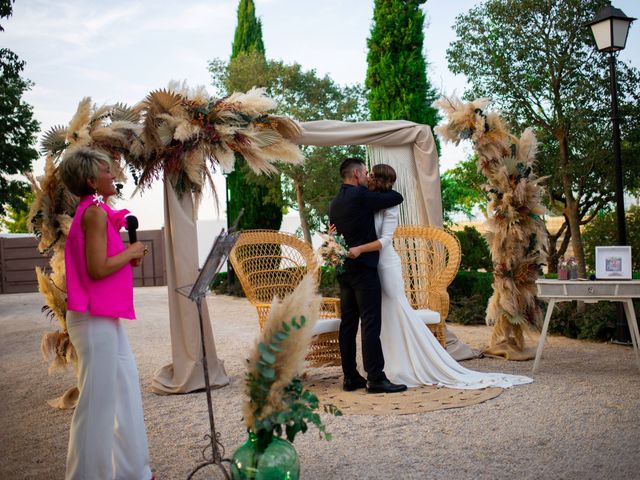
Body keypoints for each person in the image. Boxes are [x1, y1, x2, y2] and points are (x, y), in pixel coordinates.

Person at [347, 164, 533, 389]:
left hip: (386, 264)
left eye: (372, 175)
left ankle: (410, 364)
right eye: (367, 174)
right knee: (382, 317)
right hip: (372, 265)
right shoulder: (369, 201)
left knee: (396, 310)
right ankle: (384, 368)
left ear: (378, 179)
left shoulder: (390, 203)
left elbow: (386, 239)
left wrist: (360, 249)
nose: (368, 178)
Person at [60, 147, 153, 480]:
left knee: (126, 390)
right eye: (106, 170)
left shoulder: (97, 210)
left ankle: (133, 472)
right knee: (96, 405)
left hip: (105, 319)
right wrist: (130, 252)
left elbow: (106, 261)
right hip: (91, 319)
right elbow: (97, 269)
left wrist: (128, 254)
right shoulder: (93, 213)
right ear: (90, 179)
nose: (113, 174)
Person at [328, 157, 407, 394]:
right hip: (364, 269)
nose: (366, 177)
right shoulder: (360, 196)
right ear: (356, 175)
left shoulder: (334, 203)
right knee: (371, 324)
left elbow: (333, 235)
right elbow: (396, 197)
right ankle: (375, 378)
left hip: (344, 271)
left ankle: (350, 377)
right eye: (364, 173)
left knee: (348, 325)